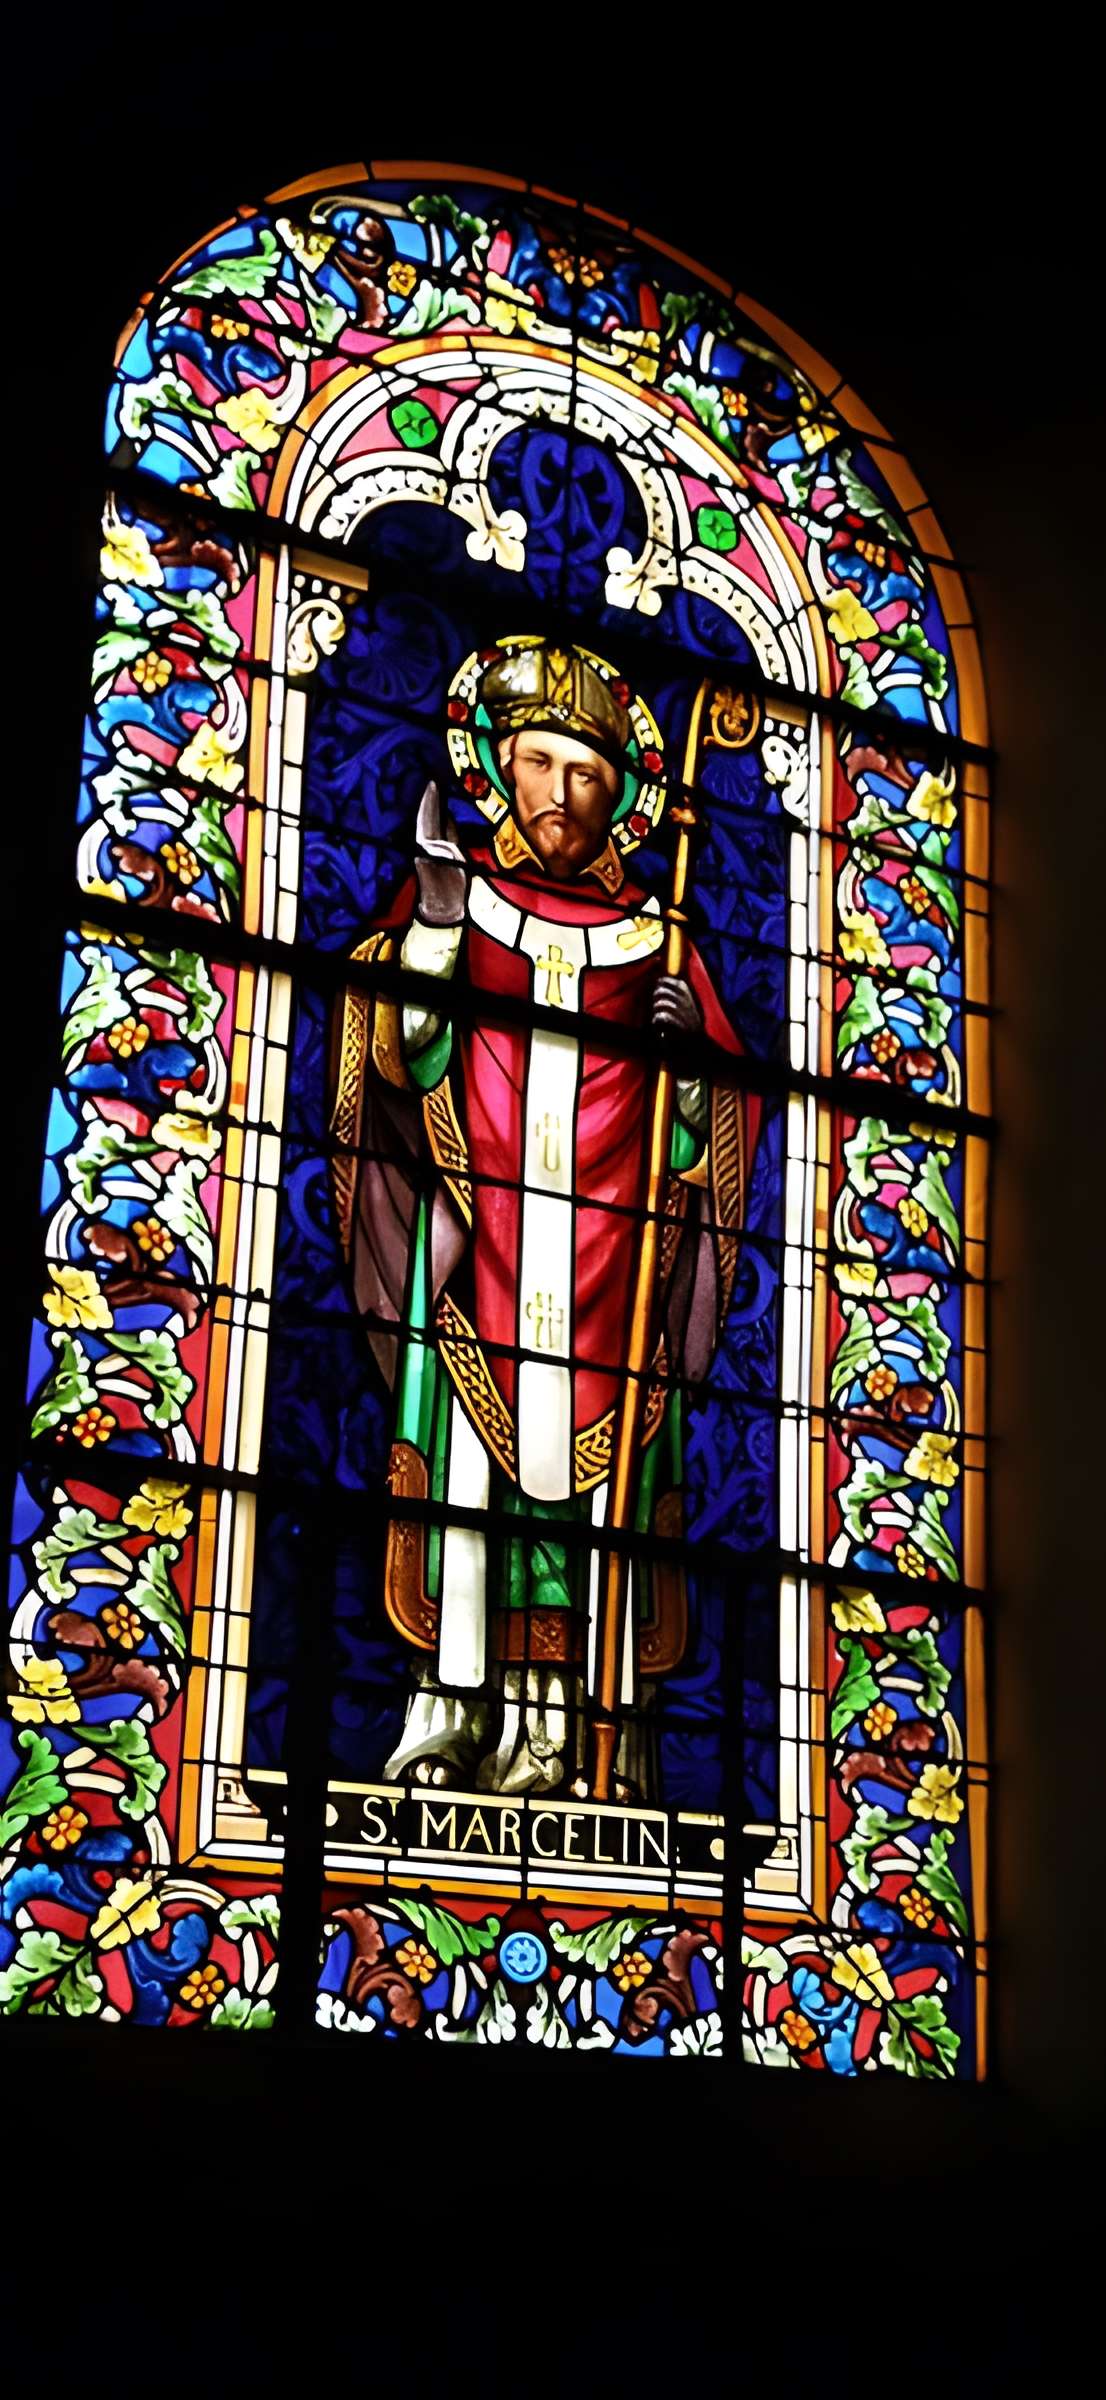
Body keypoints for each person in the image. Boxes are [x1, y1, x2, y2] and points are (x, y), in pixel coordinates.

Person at [330, 639, 757, 1798]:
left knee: (589, 1500)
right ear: (497, 771)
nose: (563, 795)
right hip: (482, 1252)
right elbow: (405, 1061)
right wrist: (431, 924)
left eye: (587, 774)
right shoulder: (462, 911)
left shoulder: (654, 941)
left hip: (616, 1270)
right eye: (539, 762)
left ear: (619, 794)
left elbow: (706, 1137)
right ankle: (449, 1709)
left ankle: (561, 1730)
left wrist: (692, 1056)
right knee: (472, 1479)